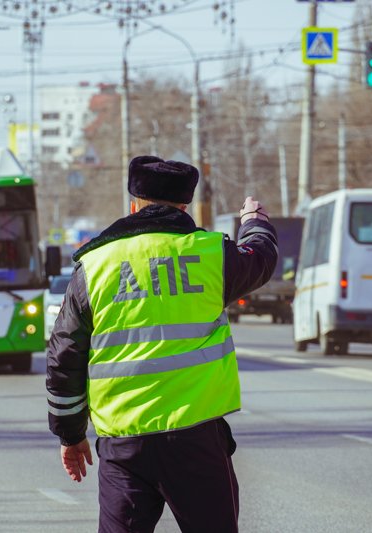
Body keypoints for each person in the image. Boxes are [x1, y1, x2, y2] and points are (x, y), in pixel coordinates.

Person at [46, 155, 278, 532]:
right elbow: (261, 259)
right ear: (184, 205)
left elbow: (64, 357)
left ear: (134, 203)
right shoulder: (209, 254)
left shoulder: (95, 266)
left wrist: (70, 435)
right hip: (196, 439)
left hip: (124, 446)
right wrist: (254, 222)